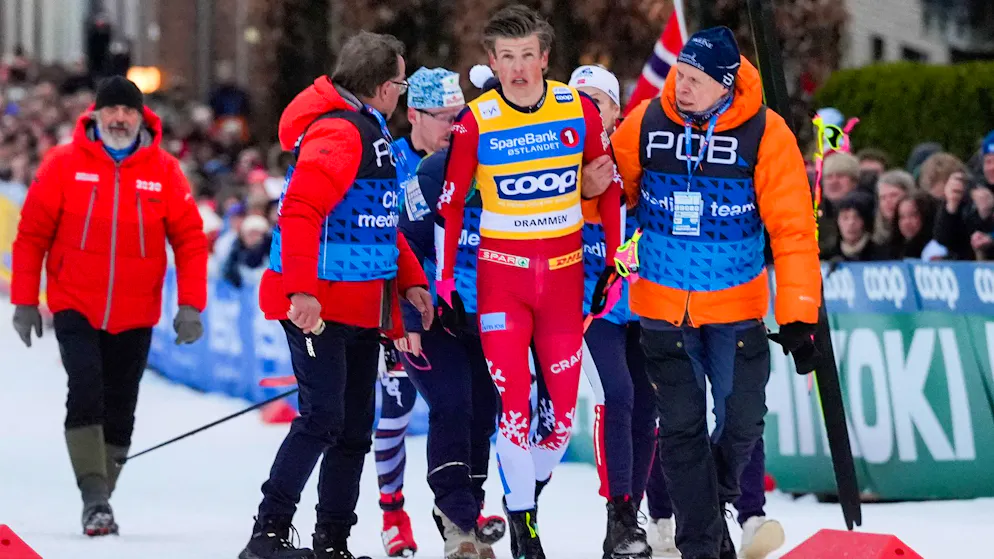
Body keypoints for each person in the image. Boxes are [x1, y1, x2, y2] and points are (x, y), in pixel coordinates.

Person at [611, 27, 821, 559]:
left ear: (726, 85)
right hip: (662, 310)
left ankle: (709, 509)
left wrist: (799, 314)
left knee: (743, 420)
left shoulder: (766, 133)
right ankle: (703, 547)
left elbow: (793, 230)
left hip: (737, 307)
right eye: (680, 75)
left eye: (695, 80)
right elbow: (611, 198)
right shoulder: (646, 122)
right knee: (681, 430)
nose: (681, 87)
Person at [436, 5, 622, 557]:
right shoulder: (477, 120)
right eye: (507, 58)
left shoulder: (575, 107)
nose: (518, 69)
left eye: (526, 57)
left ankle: (523, 495)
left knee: (560, 423)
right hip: (502, 283)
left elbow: (609, 185)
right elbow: (451, 205)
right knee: (514, 407)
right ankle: (525, 526)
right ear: (493, 63)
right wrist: (445, 283)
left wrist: (614, 262)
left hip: (563, 283)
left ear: (544, 58)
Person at [241, 31, 434, 559]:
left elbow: (379, 221)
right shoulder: (340, 132)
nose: (400, 93)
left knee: (352, 430)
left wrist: (412, 279)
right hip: (319, 308)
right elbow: (300, 212)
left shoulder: (367, 128)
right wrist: (301, 291)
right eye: (400, 83)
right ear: (382, 86)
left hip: (362, 307)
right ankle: (268, 534)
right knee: (322, 419)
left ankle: (333, 541)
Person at [10, 75, 208, 536]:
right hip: (74, 302)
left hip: (137, 310)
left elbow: (190, 241)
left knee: (121, 405)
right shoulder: (63, 163)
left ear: (141, 118)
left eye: (128, 111)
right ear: (95, 115)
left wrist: (190, 305)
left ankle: (101, 497)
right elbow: (32, 236)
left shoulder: (164, 171)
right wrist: (24, 301)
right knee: (85, 388)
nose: (119, 118)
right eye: (111, 110)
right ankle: (94, 497)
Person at [374, 65, 468, 558]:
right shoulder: (388, 160)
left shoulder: (471, 155)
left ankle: (461, 508)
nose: (455, 126)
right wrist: (393, 315)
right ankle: (393, 513)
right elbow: (378, 237)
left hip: (457, 310)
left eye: (460, 115)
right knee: (396, 411)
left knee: (464, 406)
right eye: (444, 117)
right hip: (403, 310)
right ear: (413, 115)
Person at [570, 64, 655, 559]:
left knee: (647, 406)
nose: (584, 110)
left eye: (595, 102)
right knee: (617, 394)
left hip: (640, 305)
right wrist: (580, 188)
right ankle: (619, 510)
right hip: (590, 307)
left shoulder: (633, 159)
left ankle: (626, 524)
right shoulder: (556, 159)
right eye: (576, 100)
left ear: (615, 113)